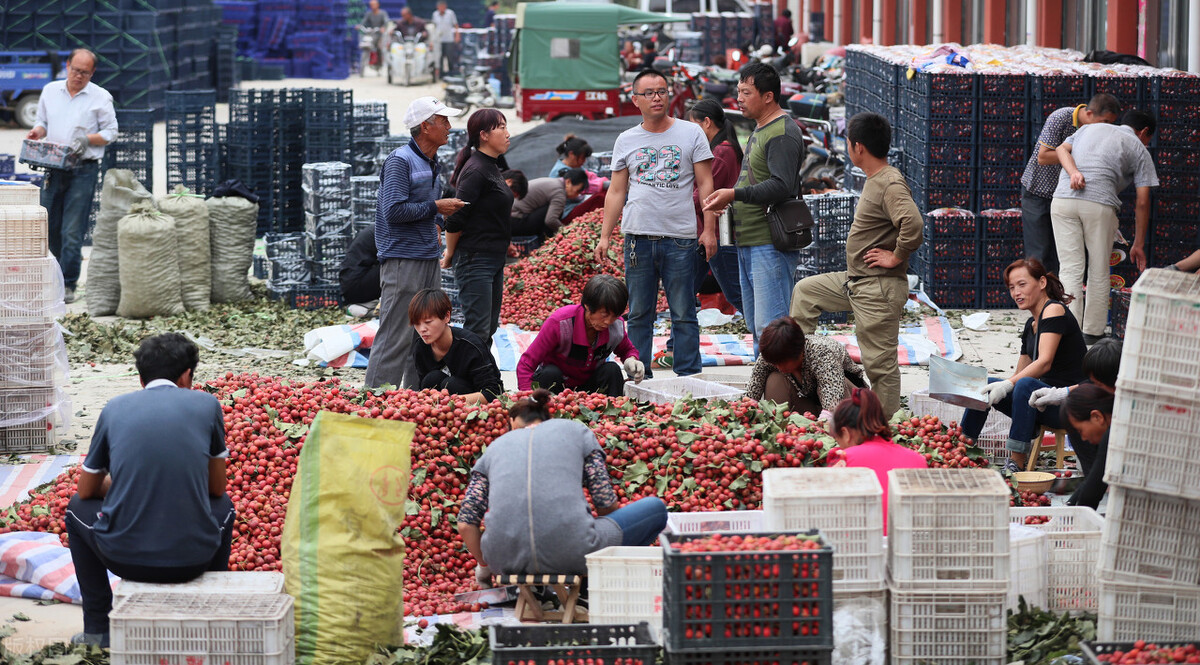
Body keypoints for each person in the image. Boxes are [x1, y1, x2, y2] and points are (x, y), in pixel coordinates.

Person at [66, 333, 235, 647]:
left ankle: (98, 631)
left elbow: (86, 490)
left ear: (141, 377)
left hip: (123, 558)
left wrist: (124, 482)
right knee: (225, 506)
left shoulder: (115, 408)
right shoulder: (207, 404)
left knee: (75, 508)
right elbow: (217, 488)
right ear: (186, 375)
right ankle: (210, 622)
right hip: (194, 559)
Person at [789, 112, 922, 418]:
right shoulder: (876, 179)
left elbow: (913, 224)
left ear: (858, 147)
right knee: (806, 292)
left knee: (879, 364)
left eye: (848, 142)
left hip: (878, 287)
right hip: (856, 281)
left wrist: (896, 256)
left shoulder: (889, 182)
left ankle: (884, 428)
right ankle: (802, 370)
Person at [456, 389, 668, 579]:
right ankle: (591, 585)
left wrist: (484, 566)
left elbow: (465, 523)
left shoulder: (493, 449)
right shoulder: (576, 431)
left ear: (513, 422)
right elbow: (604, 502)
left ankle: (540, 592)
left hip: (503, 561)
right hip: (574, 552)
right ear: (548, 418)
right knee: (656, 509)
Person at [595, 69, 716, 379]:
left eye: (662, 91)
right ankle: (639, 375)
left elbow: (706, 185)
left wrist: (709, 229)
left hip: (680, 238)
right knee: (638, 313)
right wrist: (605, 236)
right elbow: (617, 191)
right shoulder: (627, 139)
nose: (657, 97)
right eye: (648, 93)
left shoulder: (691, 133)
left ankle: (689, 375)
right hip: (638, 239)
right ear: (636, 100)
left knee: (684, 311)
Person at [365, 97, 466, 390]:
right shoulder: (400, 161)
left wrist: (436, 222)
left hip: (425, 257)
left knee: (424, 334)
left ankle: (413, 399)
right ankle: (374, 400)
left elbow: (423, 208)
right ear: (425, 126)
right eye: (443, 121)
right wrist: (437, 207)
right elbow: (394, 211)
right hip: (402, 260)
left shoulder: (431, 162)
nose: (449, 127)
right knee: (395, 334)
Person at [703, 62, 806, 349]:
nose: (739, 98)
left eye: (746, 92)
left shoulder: (782, 132)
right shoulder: (761, 128)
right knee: (756, 326)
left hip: (768, 242)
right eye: (739, 91)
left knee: (771, 328)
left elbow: (782, 185)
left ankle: (777, 392)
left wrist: (734, 195)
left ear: (768, 96)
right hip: (749, 240)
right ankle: (764, 390)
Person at [960, 258, 1087, 472]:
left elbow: (1044, 362)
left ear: (1042, 283)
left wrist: (1010, 384)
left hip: (1067, 403)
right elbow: (1019, 373)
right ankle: (962, 445)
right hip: (1039, 402)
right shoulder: (1031, 324)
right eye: (1011, 287)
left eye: (1022, 284)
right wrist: (1001, 386)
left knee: (1024, 385)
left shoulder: (1054, 310)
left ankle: (1016, 461)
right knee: (986, 384)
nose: (1016, 292)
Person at [1051, 109, 1158, 344]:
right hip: (1099, 205)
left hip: (1062, 201)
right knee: (1098, 269)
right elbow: (1142, 201)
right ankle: (1091, 332)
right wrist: (1138, 243)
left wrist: (1074, 173)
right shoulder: (1139, 147)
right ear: (1144, 132)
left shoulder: (1088, 128)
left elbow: (1060, 149)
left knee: (1069, 268)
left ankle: (1068, 329)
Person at [27, 48, 117, 304]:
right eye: (75, 70)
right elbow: (42, 122)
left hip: (83, 169)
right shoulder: (50, 91)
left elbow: (111, 132)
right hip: (53, 166)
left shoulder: (100, 97)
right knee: (49, 226)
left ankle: (68, 283)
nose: (79, 76)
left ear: (92, 72)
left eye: (85, 73)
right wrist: (37, 132)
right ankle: (53, 279)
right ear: (67, 66)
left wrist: (87, 139)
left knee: (72, 230)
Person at [1020, 94, 1121, 275]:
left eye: (1110, 123)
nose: (1106, 127)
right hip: (1039, 192)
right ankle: (1039, 302)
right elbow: (1042, 157)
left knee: (1065, 256)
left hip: (1069, 196)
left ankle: (1058, 301)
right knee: (1039, 255)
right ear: (1089, 114)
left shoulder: (1098, 132)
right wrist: (1072, 154)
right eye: (1104, 121)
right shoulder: (1061, 117)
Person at [443, 109, 513, 344]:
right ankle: (465, 379)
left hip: (493, 258)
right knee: (478, 330)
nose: (507, 133)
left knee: (489, 328)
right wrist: (450, 253)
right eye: (501, 127)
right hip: (475, 259)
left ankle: (483, 378)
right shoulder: (475, 170)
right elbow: (455, 217)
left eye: (505, 126)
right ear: (483, 135)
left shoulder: (491, 165)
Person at [517, 275, 644, 397]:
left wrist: (631, 360)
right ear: (588, 306)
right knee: (550, 373)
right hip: (557, 386)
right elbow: (526, 364)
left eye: (615, 315)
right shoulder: (560, 323)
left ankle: (612, 415)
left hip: (590, 387)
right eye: (604, 315)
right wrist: (528, 397)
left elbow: (627, 350)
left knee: (612, 370)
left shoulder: (615, 326)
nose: (608, 322)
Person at [826, 387, 926, 533]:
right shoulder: (919, 460)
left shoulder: (843, 460)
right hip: (909, 547)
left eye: (837, 439)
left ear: (845, 433)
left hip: (859, 547)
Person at [1028, 337, 1121, 482]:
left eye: (1098, 384)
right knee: (1072, 410)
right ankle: (1090, 476)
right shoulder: (1105, 382)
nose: (1094, 387)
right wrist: (1062, 393)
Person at [685, 99, 743, 318]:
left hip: (720, 232)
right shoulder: (722, 148)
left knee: (736, 293)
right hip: (709, 231)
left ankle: (769, 336)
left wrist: (675, 201)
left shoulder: (721, 152)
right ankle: (675, 342)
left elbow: (705, 194)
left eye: (694, 125)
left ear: (707, 123)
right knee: (686, 289)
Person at [745, 317, 865, 416]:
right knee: (774, 380)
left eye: (783, 362)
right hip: (809, 403)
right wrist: (747, 409)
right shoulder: (772, 354)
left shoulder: (822, 352)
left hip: (846, 404)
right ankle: (780, 428)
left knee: (838, 382)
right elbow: (755, 384)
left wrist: (823, 424)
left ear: (799, 352)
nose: (779, 367)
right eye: (776, 363)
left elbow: (833, 394)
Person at [410, 288, 503, 404]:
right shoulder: (421, 348)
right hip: (442, 406)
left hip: (475, 403)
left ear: (446, 317)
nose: (422, 329)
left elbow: (493, 393)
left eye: (428, 322)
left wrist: (448, 402)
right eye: (417, 324)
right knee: (431, 379)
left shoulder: (470, 346)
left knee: (451, 384)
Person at [1060, 383, 1115, 510]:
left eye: (1080, 431)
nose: (1083, 438)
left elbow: (1093, 491)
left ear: (1097, 417)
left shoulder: (1113, 434)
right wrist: (1070, 505)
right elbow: (1094, 478)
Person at [506, 168, 587, 238]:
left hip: (510, 219)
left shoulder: (554, 182)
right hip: (515, 221)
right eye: (578, 191)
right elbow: (550, 220)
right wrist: (567, 232)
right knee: (556, 211)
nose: (577, 195)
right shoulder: (559, 193)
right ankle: (546, 238)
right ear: (568, 182)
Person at [339, 224, 381, 308]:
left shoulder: (378, 228)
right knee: (397, 265)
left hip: (352, 286)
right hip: (355, 286)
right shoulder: (384, 231)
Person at [431, 0, 459, 80]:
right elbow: (434, 27)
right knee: (439, 57)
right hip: (439, 40)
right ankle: (441, 75)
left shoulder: (450, 13)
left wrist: (457, 35)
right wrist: (432, 40)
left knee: (450, 57)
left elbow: (455, 25)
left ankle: (451, 73)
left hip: (449, 38)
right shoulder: (435, 14)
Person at [360, 0, 392, 70]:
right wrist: (360, 26)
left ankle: (382, 63)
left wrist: (383, 27)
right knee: (366, 43)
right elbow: (364, 22)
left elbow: (386, 21)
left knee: (381, 48)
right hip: (372, 34)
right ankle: (364, 65)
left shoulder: (382, 13)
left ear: (377, 5)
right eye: (371, 5)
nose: (372, 6)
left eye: (374, 5)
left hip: (380, 34)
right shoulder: (369, 14)